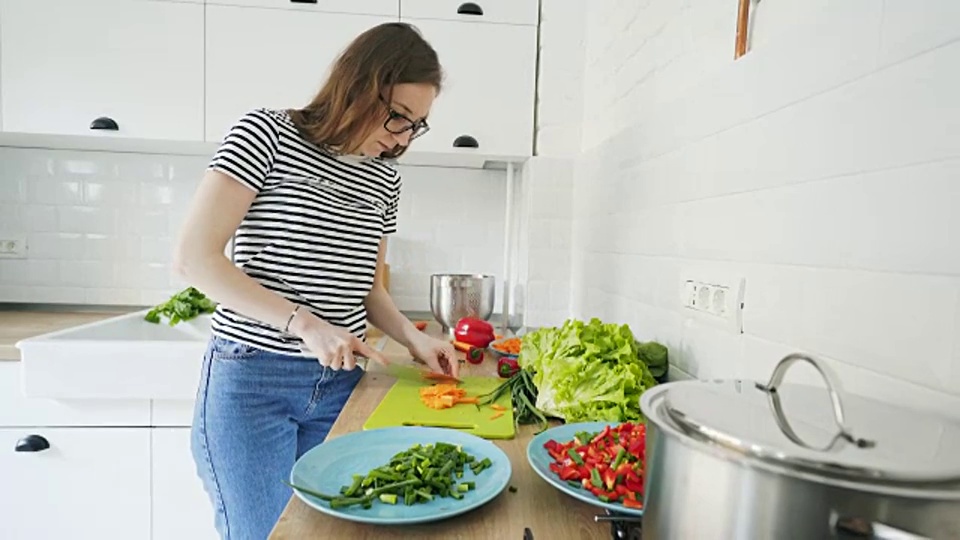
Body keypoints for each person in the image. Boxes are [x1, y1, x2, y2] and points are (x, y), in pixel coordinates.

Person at [171, 22, 458, 540]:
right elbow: (194, 258)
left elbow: (367, 287)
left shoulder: (384, 176)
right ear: (357, 86)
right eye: (398, 117)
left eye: (416, 125)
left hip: (340, 387)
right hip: (253, 383)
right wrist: (305, 324)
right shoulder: (267, 135)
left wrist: (413, 337)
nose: (401, 138)